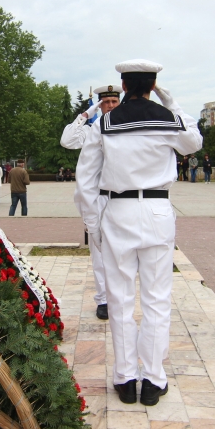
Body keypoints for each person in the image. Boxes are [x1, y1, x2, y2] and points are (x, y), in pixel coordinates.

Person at [75, 59, 202, 406]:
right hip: (158, 211)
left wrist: (92, 224)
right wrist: (170, 101)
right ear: (153, 84)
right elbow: (194, 143)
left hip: (118, 211)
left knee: (119, 298)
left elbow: (85, 181)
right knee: (157, 298)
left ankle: (125, 377)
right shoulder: (168, 119)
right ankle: (153, 380)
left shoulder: (105, 122)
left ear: (123, 83)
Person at [61, 84, 122, 320]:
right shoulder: (90, 130)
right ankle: (103, 299)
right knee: (98, 251)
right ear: (100, 104)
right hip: (96, 198)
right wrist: (86, 115)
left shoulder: (125, 127)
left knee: (122, 252)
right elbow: (67, 140)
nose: (110, 106)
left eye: (114, 102)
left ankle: (119, 296)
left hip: (121, 197)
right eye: (105, 102)